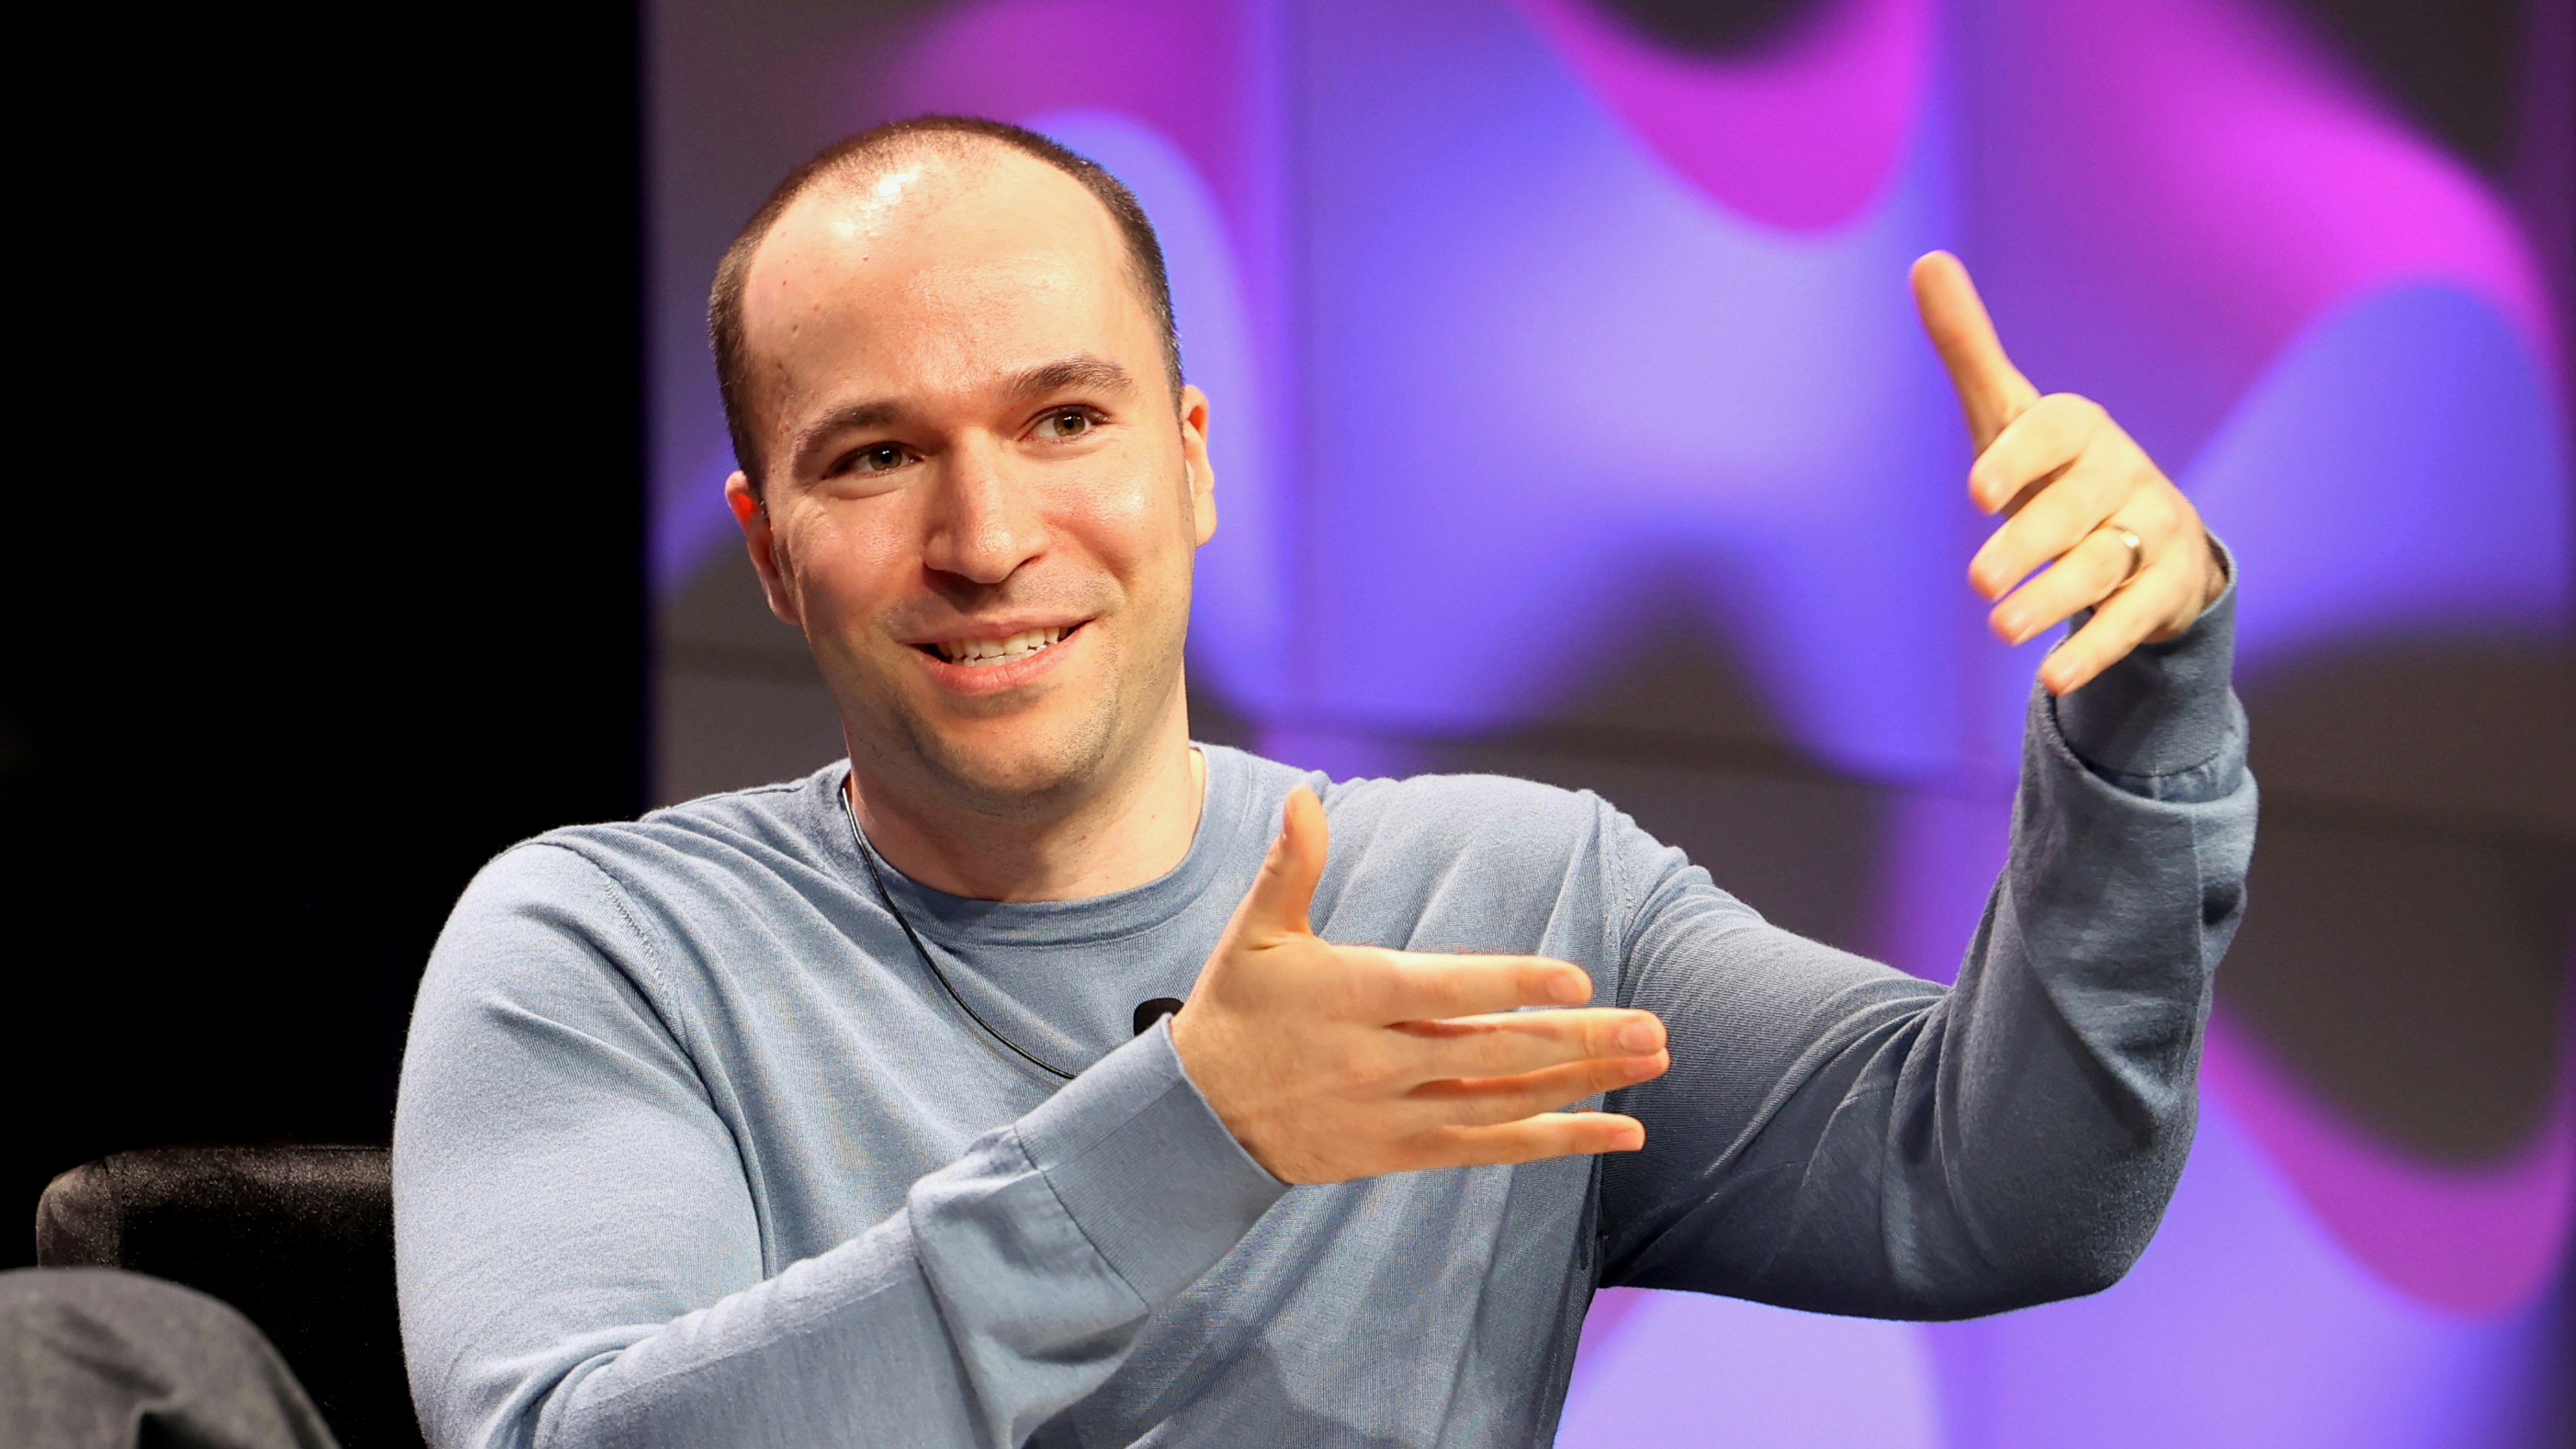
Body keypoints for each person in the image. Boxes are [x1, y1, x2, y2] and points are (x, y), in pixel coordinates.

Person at [393, 116, 2250, 1449]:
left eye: (1064, 420)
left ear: (1190, 460)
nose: (986, 537)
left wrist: (2142, 701)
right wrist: (1187, 1133)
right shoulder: (609, 947)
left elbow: (2011, 1189)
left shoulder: (1499, 904)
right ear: (770, 551)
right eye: (875, 456)